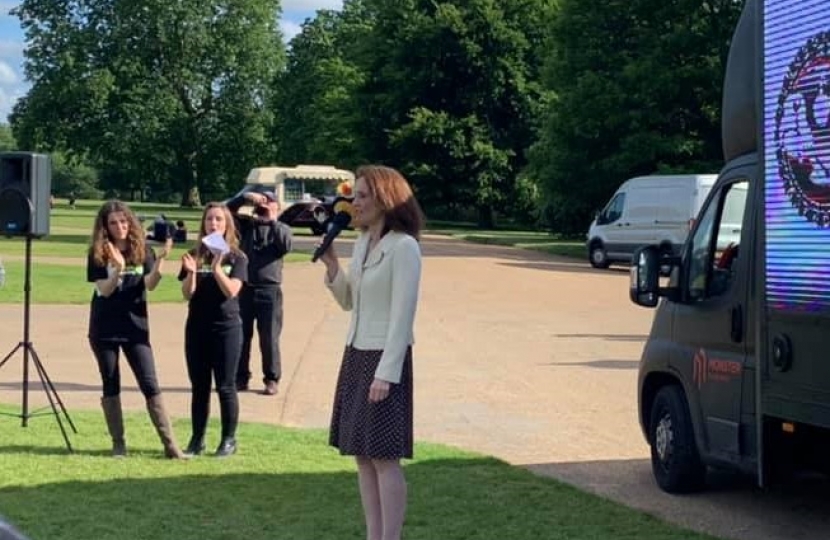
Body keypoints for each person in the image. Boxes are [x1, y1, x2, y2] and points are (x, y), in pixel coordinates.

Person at [317, 165, 425, 540]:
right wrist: (333, 266)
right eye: (355, 195)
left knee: (383, 457)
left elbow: (403, 315)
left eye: (362, 196)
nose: (355, 203)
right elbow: (350, 301)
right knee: (362, 455)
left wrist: (386, 372)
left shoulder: (404, 247)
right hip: (356, 354)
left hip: (384, 360)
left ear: (385, 199)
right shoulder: (363, 243)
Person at [86, 200, 185, 459]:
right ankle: (118, 443)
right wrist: (117, 271)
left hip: (135, 327)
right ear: (105, 227)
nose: (120, 227)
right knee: (111, 382)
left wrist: (161, 260)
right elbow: (103, 290)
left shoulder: (143, 250)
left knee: (149, 382)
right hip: (105, 327)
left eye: (123, 221)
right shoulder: (98, 253)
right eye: (113, 223)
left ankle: (171, 445)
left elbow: (150, 284)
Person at [178, 202, 248, 457]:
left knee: (226, 386)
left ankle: (228, 439)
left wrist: (217, 268)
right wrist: (191, 273)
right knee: (199, 386)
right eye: (209, 219)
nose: (213, 224)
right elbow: (188, 294)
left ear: (227, 224)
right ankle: (197, 439)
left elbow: (232, 291)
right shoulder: (194, 254)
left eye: (219, 219)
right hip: (197, 328)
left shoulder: (237, 257)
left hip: (226, 328)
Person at [226, 190, 293, 395]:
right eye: (262, 203)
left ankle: (271, 379)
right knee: (241, 336)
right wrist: (245, 197)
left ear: (278, 208)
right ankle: (240, 378)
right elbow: (226, 212)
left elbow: (286, 246)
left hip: (269, 290)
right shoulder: (246, 225)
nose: (264, 206)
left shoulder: (282, 228)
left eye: (270, 202)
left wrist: (272, 220)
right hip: (245, 288)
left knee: (269, 337)